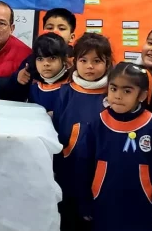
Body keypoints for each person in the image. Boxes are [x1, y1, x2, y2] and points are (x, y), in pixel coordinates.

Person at [81, 62, 152, 231]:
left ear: (142, 96)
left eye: (127, 91)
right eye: (113, 89)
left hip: (142, 206)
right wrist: (85, 201)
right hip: (103, 203)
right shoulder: (98, 123)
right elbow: (84, 166)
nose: (118, 96)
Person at [51, 33, 112, 231]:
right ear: (74, 62)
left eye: (97, 61)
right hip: (67, 167)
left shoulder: (112, 95)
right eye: (83, 60)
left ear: (108, 63)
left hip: (99, 170)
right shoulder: (65, 92)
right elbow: (57, 128)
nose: (90, 66)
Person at [14, 8, 77, 92]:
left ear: (71, 37)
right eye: (50, 27)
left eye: (61, 28)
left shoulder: (77, 62)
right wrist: (18, 77)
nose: (55, 31)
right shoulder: (32, 59)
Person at [28, 32, 70, 113]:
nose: (46, 63)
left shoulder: (71, 87)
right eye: (40, 59)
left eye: (52, 58)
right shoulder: (34, 85)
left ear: (64, 59)